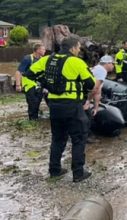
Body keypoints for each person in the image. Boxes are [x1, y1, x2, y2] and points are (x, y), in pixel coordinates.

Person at [25, 37, 96, 182]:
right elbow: (90, 83)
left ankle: (55, 170)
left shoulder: (47, 60)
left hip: (54, 106)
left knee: (57, 139)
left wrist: (46, 83)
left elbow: (29, 74)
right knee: (79, 138)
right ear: (72, 48)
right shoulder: (76, 62)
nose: (78, 50)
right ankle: (78, 173)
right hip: (72, 105)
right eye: (78, 47)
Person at [14, 44, 47, 120]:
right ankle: (32, 119)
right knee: (32, 102)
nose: (45, 51)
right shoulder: (28, 58)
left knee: (38, 101)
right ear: (38, 50)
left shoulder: (42, 59)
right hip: (29, 84)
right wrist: (18, 85)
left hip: (39, 84)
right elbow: (19, 72)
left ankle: (36, 118)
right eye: (43, 49)